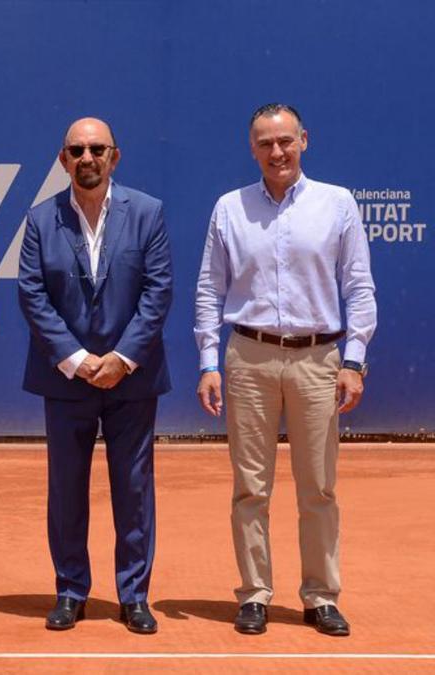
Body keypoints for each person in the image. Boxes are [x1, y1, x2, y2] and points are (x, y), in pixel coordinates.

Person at [194, 103, 376, 637]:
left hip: (319, 358)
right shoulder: (229, 208)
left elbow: (358, 286)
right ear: (252, 148)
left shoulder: (336, 204)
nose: (277, 152)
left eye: (286, 141)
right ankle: (254, 593)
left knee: (317, 487)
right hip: (247, 357)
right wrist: (209, 361)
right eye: (265, 143)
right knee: (251, 487)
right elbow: (210, 289)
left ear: (304, 141)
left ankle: (320, 596)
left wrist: (354, 359)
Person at [17, 118, 172, 634]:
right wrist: (78, 360)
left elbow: (158, 291)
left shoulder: (147, 213)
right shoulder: (41, 220)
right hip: (66, 380)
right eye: (77, 150)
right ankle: (70, 590)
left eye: (97, 149)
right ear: (63, 159)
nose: (87, 157)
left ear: (114, 156)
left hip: (131, 378)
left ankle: (134, 596)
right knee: (66, 489)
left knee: (133, 488)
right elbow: (33, 296)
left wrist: (122, 358)